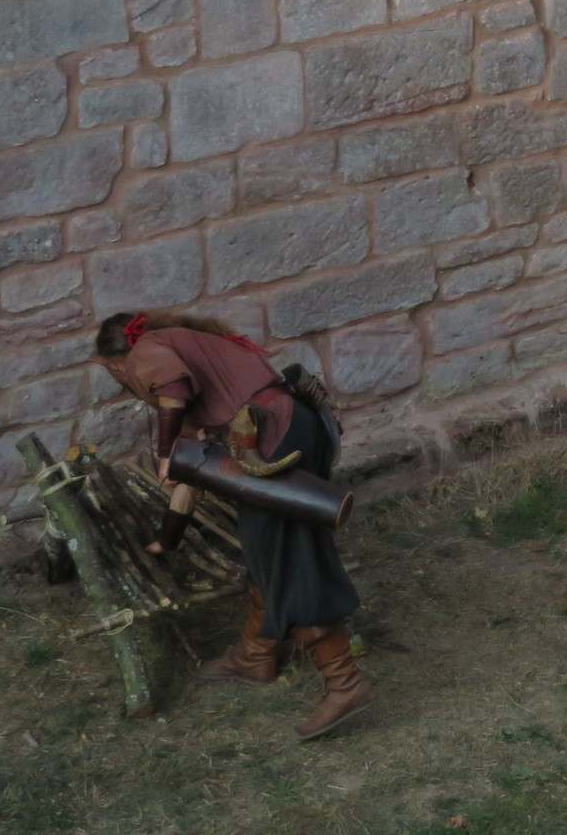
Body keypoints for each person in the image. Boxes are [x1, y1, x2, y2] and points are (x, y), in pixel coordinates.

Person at [93, 311, 374, 741]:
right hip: (288, 431)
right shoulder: (192, 358)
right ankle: (255, 656)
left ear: (113, 364)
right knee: (265, 547)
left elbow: (170, 389)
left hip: (275, 440)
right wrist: (168, 538)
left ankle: (345, 683)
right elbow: (191, 473)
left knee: (290, 557)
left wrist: (164, 453)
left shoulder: (148, 350)